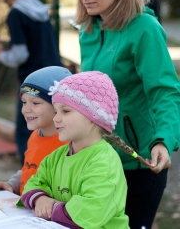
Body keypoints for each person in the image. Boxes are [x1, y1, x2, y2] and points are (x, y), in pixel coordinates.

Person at [74, 0, 180, 229]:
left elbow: (165, 92)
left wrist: (164, 141)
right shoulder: (89, 30)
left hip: (138, 161)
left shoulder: (145, 28)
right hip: (97, 159)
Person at [20, 71, 140, 228]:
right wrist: (40, 199)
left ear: (93, 116)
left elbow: (90, 212)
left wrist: (51, 208)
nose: (56, 118)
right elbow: (33, 182)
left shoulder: (104, 162)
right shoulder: (56, 157)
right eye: (56, 111)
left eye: (66, 111)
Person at [0, 0, 62, 164]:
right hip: (55, 76)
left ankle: (28, 175)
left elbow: (20, 55)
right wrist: (7, 42)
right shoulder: (37, 8)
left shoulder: (15, 14)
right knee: (53, 127)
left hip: (33, 82)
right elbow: (33, 41)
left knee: (24, 131)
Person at [0, 66, 71, 195]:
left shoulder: (70, 146)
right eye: (24, 102)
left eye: (35, 103)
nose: (26, 109)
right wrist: (12, 185)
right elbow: (30, 168)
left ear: (59, 105)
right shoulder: (35, 136)